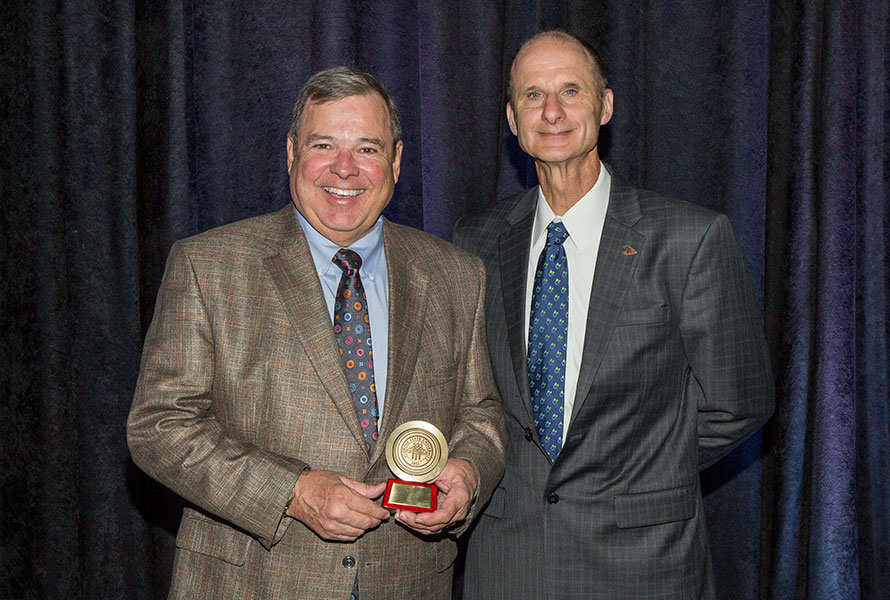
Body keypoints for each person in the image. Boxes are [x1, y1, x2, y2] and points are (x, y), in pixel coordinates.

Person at [127, 66, 507, 600]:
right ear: (291, 153)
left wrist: (468, 472)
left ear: (396, 161)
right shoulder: (208, 266)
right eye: (323, 144)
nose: (345, 168)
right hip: (251, 584)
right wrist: (291, 491)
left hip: (408, 582)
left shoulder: (456, 275)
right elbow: (159, 426)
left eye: (368, 149)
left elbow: (482, 411)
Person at [454, 31, 774, 598]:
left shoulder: (688, 238)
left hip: (642, 563)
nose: (551, 111)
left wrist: (641, 467)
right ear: (511, 118)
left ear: (605, 106)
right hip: (507, 563)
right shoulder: (475, 241)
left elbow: (739, 400)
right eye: (533, 95)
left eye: (570, 91)